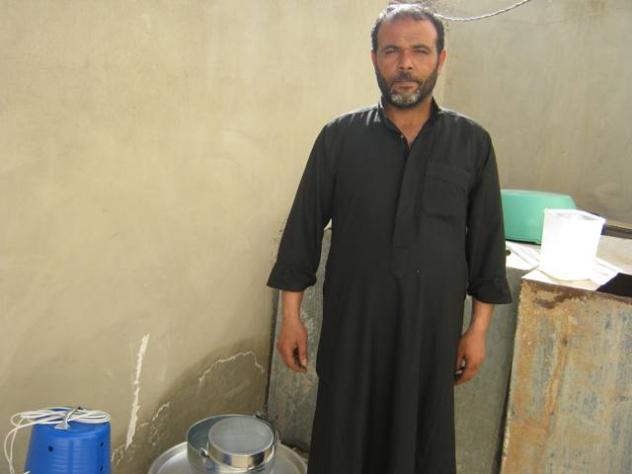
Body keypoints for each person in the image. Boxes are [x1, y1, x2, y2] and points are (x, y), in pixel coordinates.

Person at [267, 4, 511, 473]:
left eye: (420, 51)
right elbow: (303, 229)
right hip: (353, 327)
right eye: (391, 51)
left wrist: (477, 331)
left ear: (440, 59)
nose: (405, 64)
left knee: (420, 441)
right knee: (343, 435)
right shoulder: (339, 138)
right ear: (374, 59)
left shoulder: (471, 143)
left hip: (430, 330)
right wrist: (291, 318)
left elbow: (486, 242)